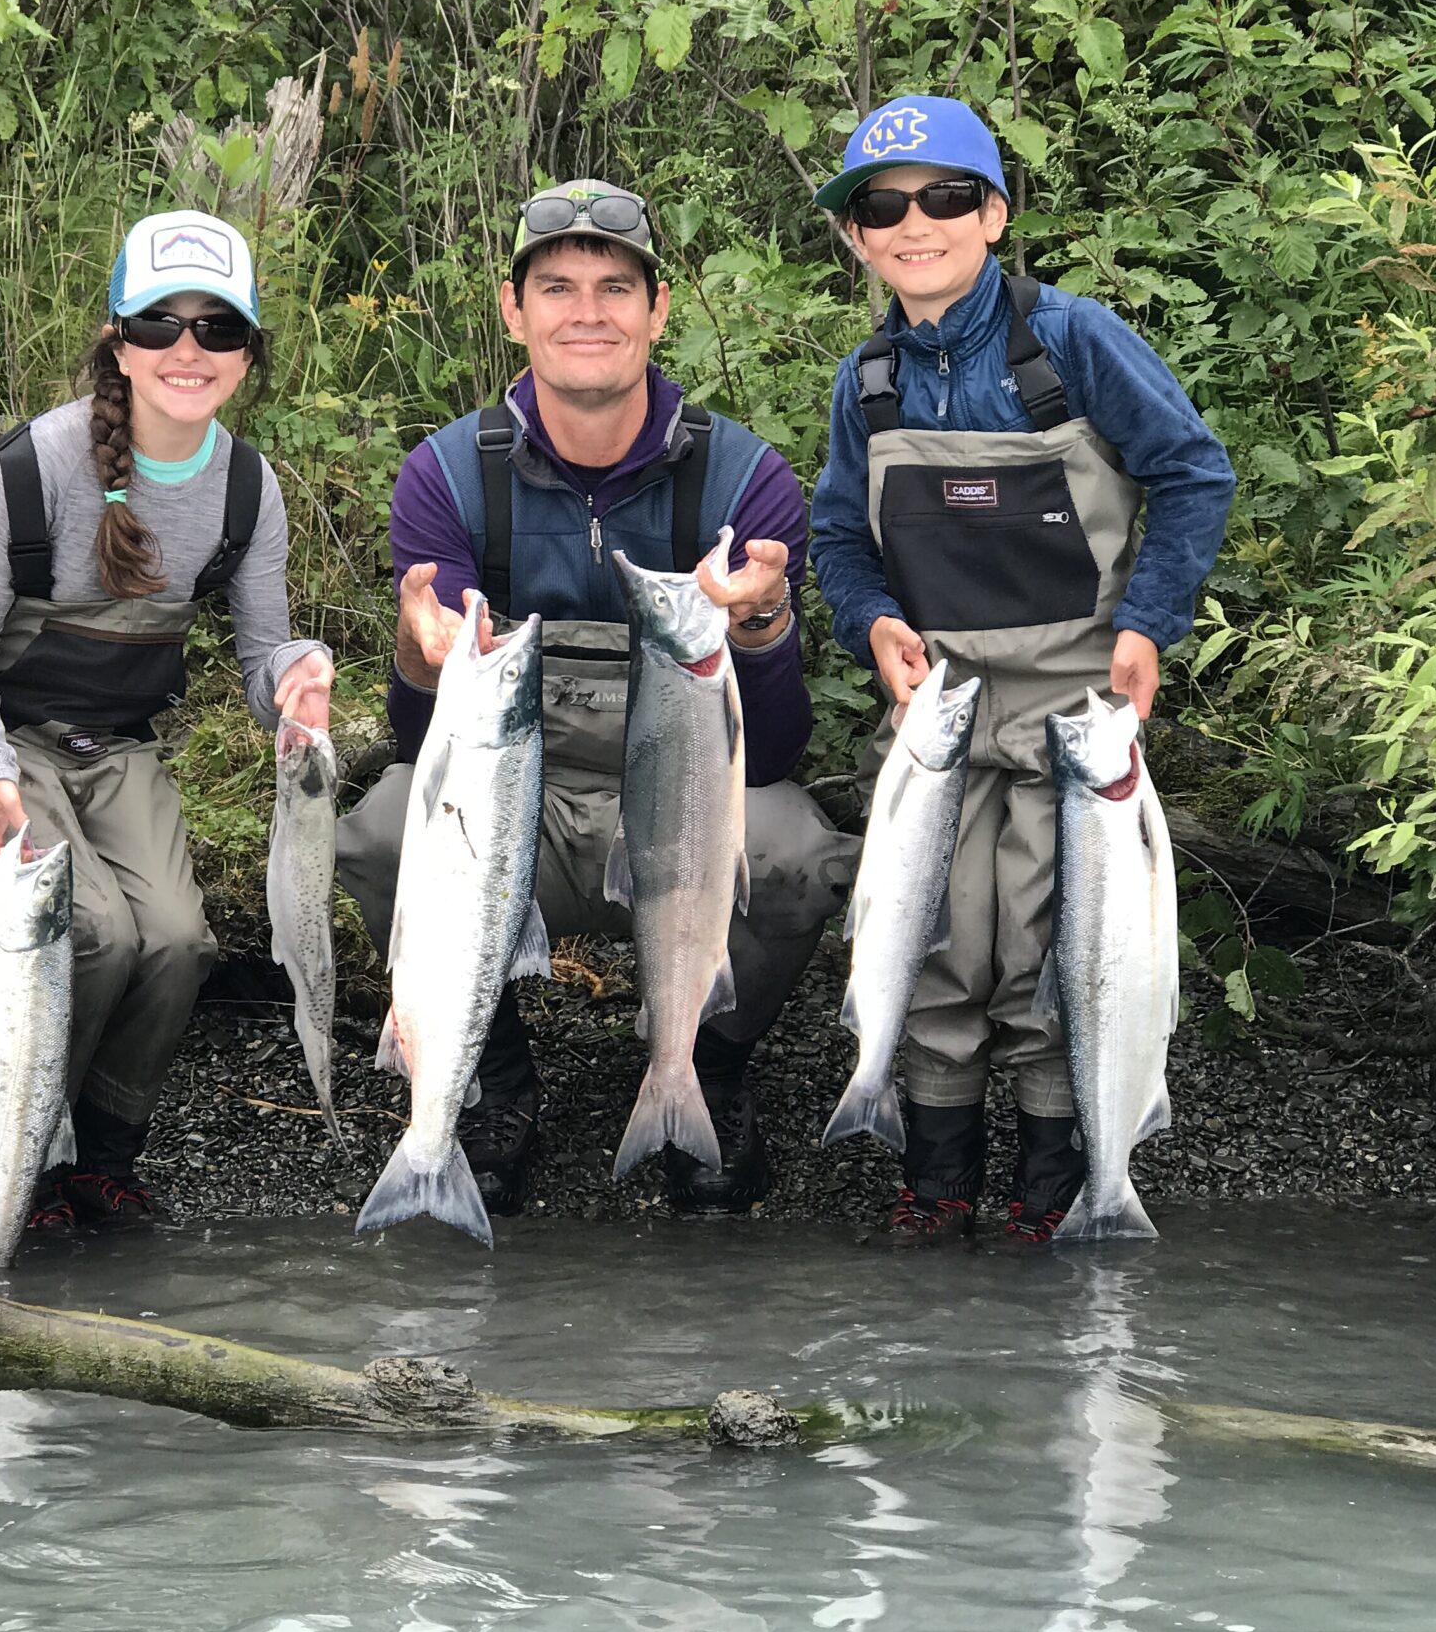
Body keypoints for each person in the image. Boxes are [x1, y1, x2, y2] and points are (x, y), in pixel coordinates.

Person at [334, 179, 858, 1218]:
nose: (587, 311)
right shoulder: (444, 476)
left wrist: (754, 627)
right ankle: (486, 1077)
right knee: (380, 831)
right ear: (511, 308)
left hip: (675, 812)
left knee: (799, 851)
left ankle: (699, 1063)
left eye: (615, 287)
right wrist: (417, 652)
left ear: (658, 311)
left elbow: (781, 746)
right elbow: (413, 742)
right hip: (511, 814)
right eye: (557, 286)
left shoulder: (744, 479)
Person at [807, 96, 1235, 1244]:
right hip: (937, 713)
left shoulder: (1076, 344)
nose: (915, 224)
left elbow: (1194, 473)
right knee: (939, 946)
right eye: (882, 208)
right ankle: (936, 1181)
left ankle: (1055, 1188)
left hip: (1073, 712)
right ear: (857, 237)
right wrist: (871, 624)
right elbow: (838, 541)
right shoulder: (868, 382)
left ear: (992, 215)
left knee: (1058, 952)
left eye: (945, 198)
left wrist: (1149, 624)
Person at [0, 208, 333, 1230]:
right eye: (159, 326)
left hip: (113, 738)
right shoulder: (33, 465)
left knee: (177, 940)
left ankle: (106, 1150)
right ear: (118, 343)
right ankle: (24, 1149)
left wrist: (296, 683)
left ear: (247, 354)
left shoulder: (247, 488)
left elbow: (257, 657)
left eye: (217, 329)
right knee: (87, 929)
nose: (188, 350)